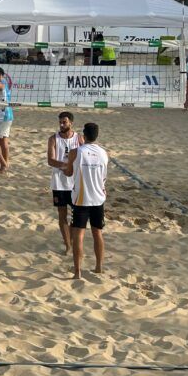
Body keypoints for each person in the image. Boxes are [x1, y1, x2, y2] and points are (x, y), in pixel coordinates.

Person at [63, 122, 108, 279]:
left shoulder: (76, 152)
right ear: (96, 136)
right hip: (98, 198)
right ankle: (99, 267)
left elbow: (68, 173)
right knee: (98, 233)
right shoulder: (103, 153)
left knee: (78, 235)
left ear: (83, 135)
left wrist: (65, 167)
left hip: (81, 199)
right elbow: (103, 177)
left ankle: (77, 272)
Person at [46, 112, 82, 254]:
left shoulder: (79, 138)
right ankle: (68, 245)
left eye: (64, 122)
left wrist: (71, 168)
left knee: (75, 215)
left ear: (71, 123)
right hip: (59, 183)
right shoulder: (53, 139)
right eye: (60, 122)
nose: (61, 125)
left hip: (74, 183)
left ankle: (72, 241)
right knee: (62, 215)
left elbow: (84, 156)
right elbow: (50, 160)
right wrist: (65, 166)